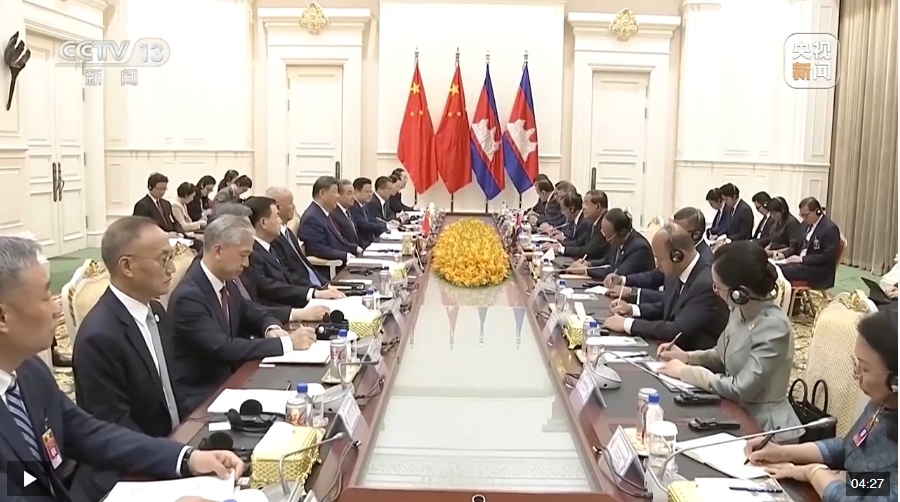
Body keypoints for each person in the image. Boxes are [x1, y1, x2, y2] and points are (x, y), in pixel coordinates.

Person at [0, 237, 243, 501]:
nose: (57, 308)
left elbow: (88, 433)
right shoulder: (94, 337)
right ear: (3, 317)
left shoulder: (29, 371)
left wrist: (186, 458)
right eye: (46, 296)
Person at [71, 217, 187, 500]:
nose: (172, 269)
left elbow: (172, 390)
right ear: (127, 266)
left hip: (175, 445)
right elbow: (113, 428)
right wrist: (177, 459)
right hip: (131, 471)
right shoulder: (99, 337)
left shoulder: (156, 312)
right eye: (163, 259)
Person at [743, 308, 898, 502]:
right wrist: (781, 452)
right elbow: (850, 450)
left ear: (896, 380)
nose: (856, 375)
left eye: (865, 368)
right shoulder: (884, 403)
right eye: (856, 364)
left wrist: (814, 472)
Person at [167, 215, 316, 412]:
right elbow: (223, 348)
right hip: (205, 397)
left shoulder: (224, 280)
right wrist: (287, 343)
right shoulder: (189, 296)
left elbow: (250, 310)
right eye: (243, 255)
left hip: (234, 380)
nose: (246, 263)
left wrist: (270, 327)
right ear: (218, 251)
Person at [657, 240, 803, 440]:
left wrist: (687, 372)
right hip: (732, 412)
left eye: (718, 287)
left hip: (765, 430)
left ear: (739, 292)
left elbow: (739, 388)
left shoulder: (774, 327)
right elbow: (722, 353)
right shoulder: (738, 309)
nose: (715, 292)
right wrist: (687, 357)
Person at [603, 223, 727, 351]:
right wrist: (632, 309)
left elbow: (677, 329)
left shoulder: (705, 283)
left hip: (691, 354)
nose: (657, 266)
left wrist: (628, 324)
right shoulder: (675, 271)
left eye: (659, 259)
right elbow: (667, 307)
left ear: (677, 256)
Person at [605, 207, 711, 305]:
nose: (673, 233)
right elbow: (655, 276)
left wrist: (634, 293)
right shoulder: (675, 251)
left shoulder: (704, 263)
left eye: (678, 230)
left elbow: (674, 299)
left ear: (696, 234)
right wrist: (623, 280)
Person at [265, 187, 333, 288]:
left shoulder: (288, 233)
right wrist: (315, 290)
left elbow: (306, 265)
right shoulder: (274, 239)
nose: (294, 207)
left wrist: (327, 283)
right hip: (305, 289)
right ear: (278, 208)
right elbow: (289, 275)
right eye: (290, 203)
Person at [566, 208, 654, 281]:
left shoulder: (639, 248)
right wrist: (588, 264)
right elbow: (606, 261)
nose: (606, 240)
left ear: (622, 233)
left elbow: (617, 273)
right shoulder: (617, 240)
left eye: (609, 237)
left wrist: (586, 270)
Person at [298, 176, 363, 266]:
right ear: (322, 193)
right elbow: (317, 249)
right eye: (335, 192)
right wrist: (345, 255)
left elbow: (339, 241)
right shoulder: (312, 218)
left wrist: (354, 248)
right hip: (330, 268)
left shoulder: (324, 213)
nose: (338, 196)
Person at [779, 197, 842, 290]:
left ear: (817, 212)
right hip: (802, 264)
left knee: (780, 271)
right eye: (801, 215)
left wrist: (802, 259)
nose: (803, 218)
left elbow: (828, 256)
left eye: (806, 215)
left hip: (818, 269)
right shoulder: (805, 225)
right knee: (773, 267)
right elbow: (796, 245)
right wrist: (784, 254)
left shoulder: (830, 228)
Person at [547, 190, 609, 261]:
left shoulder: (605, 223)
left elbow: (590, 250)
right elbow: (579, 242)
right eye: (583, 203)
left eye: (587, 204)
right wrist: (559, 245)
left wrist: (562, 249)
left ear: (598, 207)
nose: (583, 208)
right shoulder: (593, 221)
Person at [133, 173, 185, 237]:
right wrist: (166, 235)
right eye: (160, 189)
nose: (162, 192)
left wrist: (180, 233)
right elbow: (141, 229)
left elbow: (174, 222)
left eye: (164, 189)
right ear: (150, 187)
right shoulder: (142, 205)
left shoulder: (166, 204)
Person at [349, 177, 390, 243]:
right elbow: (364, 225)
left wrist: (386, 223)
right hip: (363, 243)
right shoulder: (353, 207)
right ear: (356, 192)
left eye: (370, 192)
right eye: (366, 192)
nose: (369, 195)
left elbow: (371, 219)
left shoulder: (364, 205)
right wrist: (386, 226)